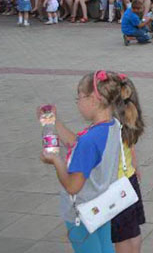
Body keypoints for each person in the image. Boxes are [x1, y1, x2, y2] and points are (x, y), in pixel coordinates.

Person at [39, 71, 128, 253]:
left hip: (82, 213)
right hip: (102, 205)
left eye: (79, 98)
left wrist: (56, 161)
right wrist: (52, 122)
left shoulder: (90, 140)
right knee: (105, 249)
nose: (78, 103)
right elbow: (77, 143)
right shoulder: (112, 125)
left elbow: (72, 187)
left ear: (93, 100)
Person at [109, 74, 146, 253]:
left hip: (116, 185)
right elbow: (130, 147)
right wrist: (135, 166)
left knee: (121, 236)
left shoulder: (110, 127)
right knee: (133, 231)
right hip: (129, 179)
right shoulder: (128, 121)